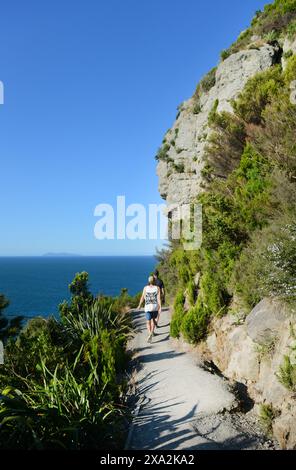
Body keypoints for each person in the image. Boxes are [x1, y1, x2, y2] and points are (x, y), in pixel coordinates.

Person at [137, 275, 161, 343]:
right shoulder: (157, 288)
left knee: (148, 321)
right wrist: (160, 306)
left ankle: (149, 333)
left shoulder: (145, 288)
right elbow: (158, 299)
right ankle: (151, 333)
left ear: (149, 281)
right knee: (153, 320)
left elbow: (142, 297)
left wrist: (139, 305)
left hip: (147, 307)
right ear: (154, 281)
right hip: (155, 307)